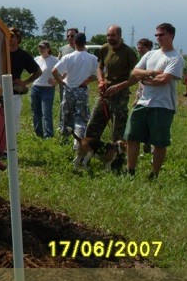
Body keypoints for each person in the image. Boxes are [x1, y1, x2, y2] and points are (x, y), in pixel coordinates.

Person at [124, 23, 184, 180]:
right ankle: (130, 170)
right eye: (156, 35)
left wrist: (146, 79)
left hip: (163, 105)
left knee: (159, 142)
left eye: (161, 34)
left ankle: (154, 174)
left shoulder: (175, 57)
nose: (158, 38)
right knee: (131, 136)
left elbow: (163, 79)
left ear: (171, 35)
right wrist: (150, 73)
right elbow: (135, 72)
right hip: (143, 102)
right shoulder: (150, 55)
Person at [77, 25, 138, 171]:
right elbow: (100, 68)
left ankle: (116, 163)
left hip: (120, 94)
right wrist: (101, 81)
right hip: (105, 93)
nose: (110, 38)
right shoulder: (105, 48)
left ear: (120, 36)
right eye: (108, 35)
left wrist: (120, 86)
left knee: (118, 130)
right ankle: (89, 156)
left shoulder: (128, 52)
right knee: (93, 125)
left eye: (113, 36)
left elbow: (136, 76)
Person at [52, 32, 97, 165]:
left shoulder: (69, 57)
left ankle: (64, 139)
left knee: (67, 115)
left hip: (69, 89)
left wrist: (61, 82)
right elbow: (97, 74)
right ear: (85, 42)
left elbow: (54, 71)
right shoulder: (92, 58)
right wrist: (88, 80)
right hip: (82, 90)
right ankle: (77, 144)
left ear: (74, 43)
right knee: (81, 118)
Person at [8, 27, 42, 131]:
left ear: (18, 39)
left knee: (13, 122)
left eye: (12, 36)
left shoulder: (23, 55)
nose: (9, 38)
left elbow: (38, 72)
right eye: (7, 35)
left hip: (14, 94)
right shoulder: (0, 52)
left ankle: (11, 146)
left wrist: (24, 82)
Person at [30, 40, 58, 138]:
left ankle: (48, 136)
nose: (40, 49)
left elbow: (64, 72)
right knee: (36, 112)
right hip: (36, 87)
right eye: (39, 47)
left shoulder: (54, 60)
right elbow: (32, 72)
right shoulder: (36, 59)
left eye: (43, 47)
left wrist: (56, 82)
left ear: (48, 49)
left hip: (48, 89)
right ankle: (38, 134)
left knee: (46, 113)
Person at [135, 37, 154, 154]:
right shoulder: (142, 60)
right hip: (141, 95)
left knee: (149, 123)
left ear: (148, 48)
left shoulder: (151, 60)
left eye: (141, 47)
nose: (139, 50)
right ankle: (145, 146)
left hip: (150, 97)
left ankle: (150, 147)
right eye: (138, 47)